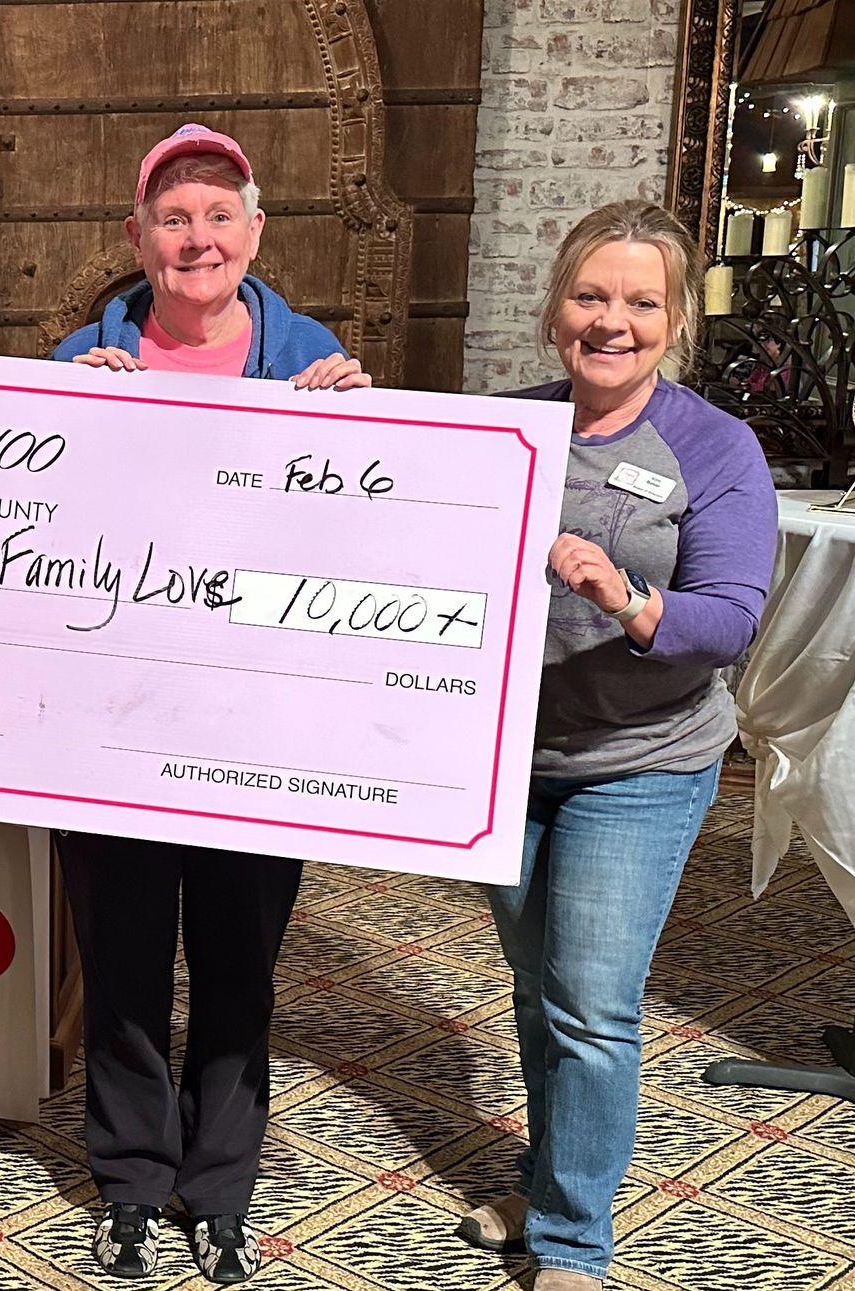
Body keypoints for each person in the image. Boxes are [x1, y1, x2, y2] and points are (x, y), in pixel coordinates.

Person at [48, 124, 368, 1285]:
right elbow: (21, 535)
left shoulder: (313, 358)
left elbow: (359, 544)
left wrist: (367, 430)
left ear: (255, 232)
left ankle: (220, 1182)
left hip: (255, 733)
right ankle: (132, 1179)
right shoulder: (81, 359)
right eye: (173, 217)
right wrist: (54, 419)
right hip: (117, 727)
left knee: (240, 964)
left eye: (218, 214)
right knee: (124, 963)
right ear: (137, 237)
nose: (197, 237)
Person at [455, 200, 776, 1291]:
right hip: (510, 762)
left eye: (642, 302)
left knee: (591, 1001)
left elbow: (731, 615)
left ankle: (575, 1244)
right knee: (538, 981)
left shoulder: (712, 445)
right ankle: (553, 1189)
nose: (612, 322)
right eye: (592, 296)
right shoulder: (508, 427)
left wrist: (623, 592)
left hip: (641, 760)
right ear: (556, 309)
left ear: (675, 320)